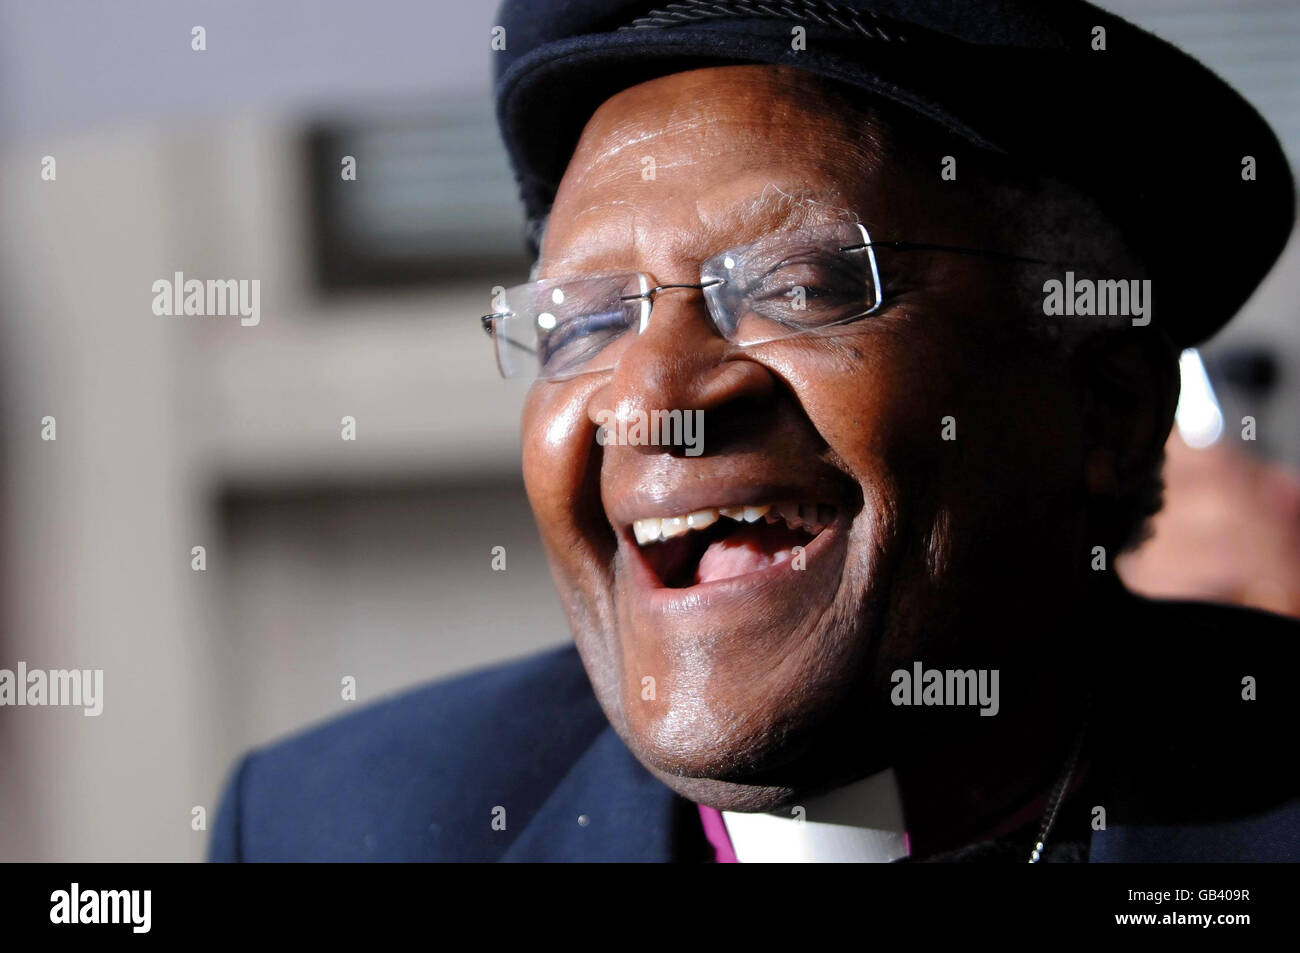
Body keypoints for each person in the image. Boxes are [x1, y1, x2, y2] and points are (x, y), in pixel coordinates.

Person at [211, 0, 1298, 862]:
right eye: (584, 320)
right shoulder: (332, 827)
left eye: (798, 285)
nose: (649, 398)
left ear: (1104, 406)